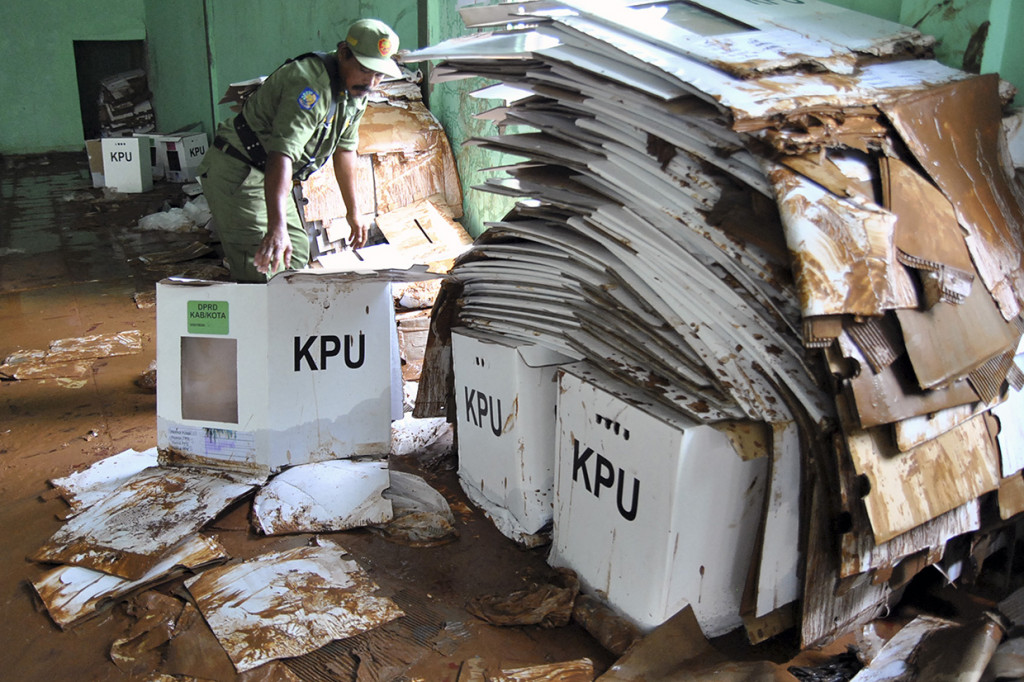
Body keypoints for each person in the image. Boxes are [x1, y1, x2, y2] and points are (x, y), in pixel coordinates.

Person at [198, 19, 401, 282]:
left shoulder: (356, 92)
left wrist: (354, 212)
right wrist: (275, 228)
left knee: (295, 255)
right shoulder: (310, 86)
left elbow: (345, 151)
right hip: (240, 169)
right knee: (263, 267)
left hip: (269, 172)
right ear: (343, 53)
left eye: (379, 74)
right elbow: (282, 154)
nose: (371, 82)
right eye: (364, 70)